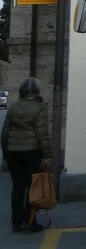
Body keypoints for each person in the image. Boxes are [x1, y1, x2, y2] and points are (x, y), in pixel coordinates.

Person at [2, 77, 52, 234]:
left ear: (22, 91)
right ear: (37, 91)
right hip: (32, 151)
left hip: (13, 152)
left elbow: (5, 133)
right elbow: (42, 134)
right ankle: (30, 221)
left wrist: (6, 152)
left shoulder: (13, 107)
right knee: (32, 187)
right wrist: (47, 155)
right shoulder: (40, 108)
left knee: (17, 187)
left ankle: (16, 223)